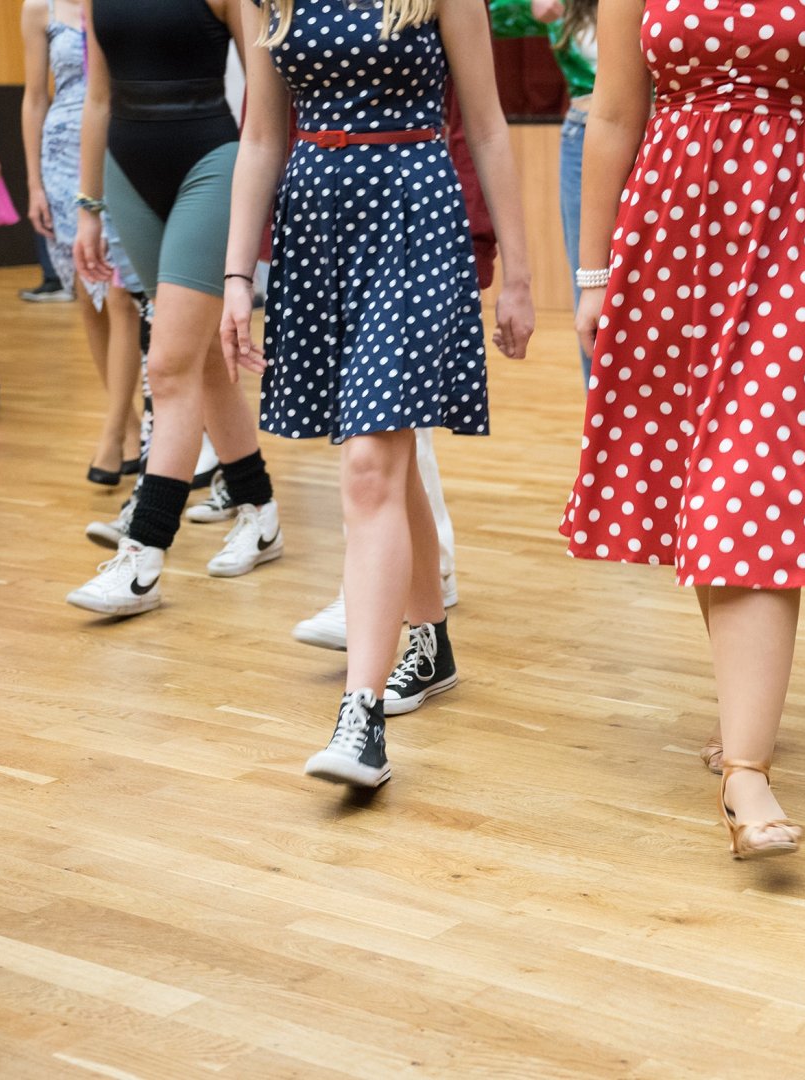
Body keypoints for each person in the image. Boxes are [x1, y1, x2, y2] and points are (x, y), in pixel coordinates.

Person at [564, 0, 805, 858]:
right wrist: (594, 275)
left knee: (758, 475)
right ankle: (743, 718)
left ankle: (745, 772)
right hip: (672, 228)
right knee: (706, 473)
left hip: (804, 224)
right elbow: (614, 113)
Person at [223, 0, 532, 788]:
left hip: (413, 216)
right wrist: (236, 276)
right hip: (317, 225)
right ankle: (429, 642)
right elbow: (261, 137)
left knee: (368, 462)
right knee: (384, 456)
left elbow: (488, 126)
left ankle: (360, 718)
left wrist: (519, 276)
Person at [66, 0, 284, 617]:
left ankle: (143, 554)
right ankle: (259, 508)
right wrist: (88, 206)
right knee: (201, 359)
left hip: (210, 167)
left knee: (166, 365)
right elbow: (97, 98)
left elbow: (266, 101)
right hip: (127, 173)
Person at [21, 0, 144, 486]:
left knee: (120, 296)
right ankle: (128, 424)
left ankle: (112, 432)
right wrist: (34, 184)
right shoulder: (39, 8)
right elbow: (35, 98)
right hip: (60, 158)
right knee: (86, 297)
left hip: (121, 148)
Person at [528, 0, 598, 378]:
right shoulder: (567, 5)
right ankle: (599, 403)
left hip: (662, 130)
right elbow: (492, 18)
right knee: (590, 279)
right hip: (583, 132)